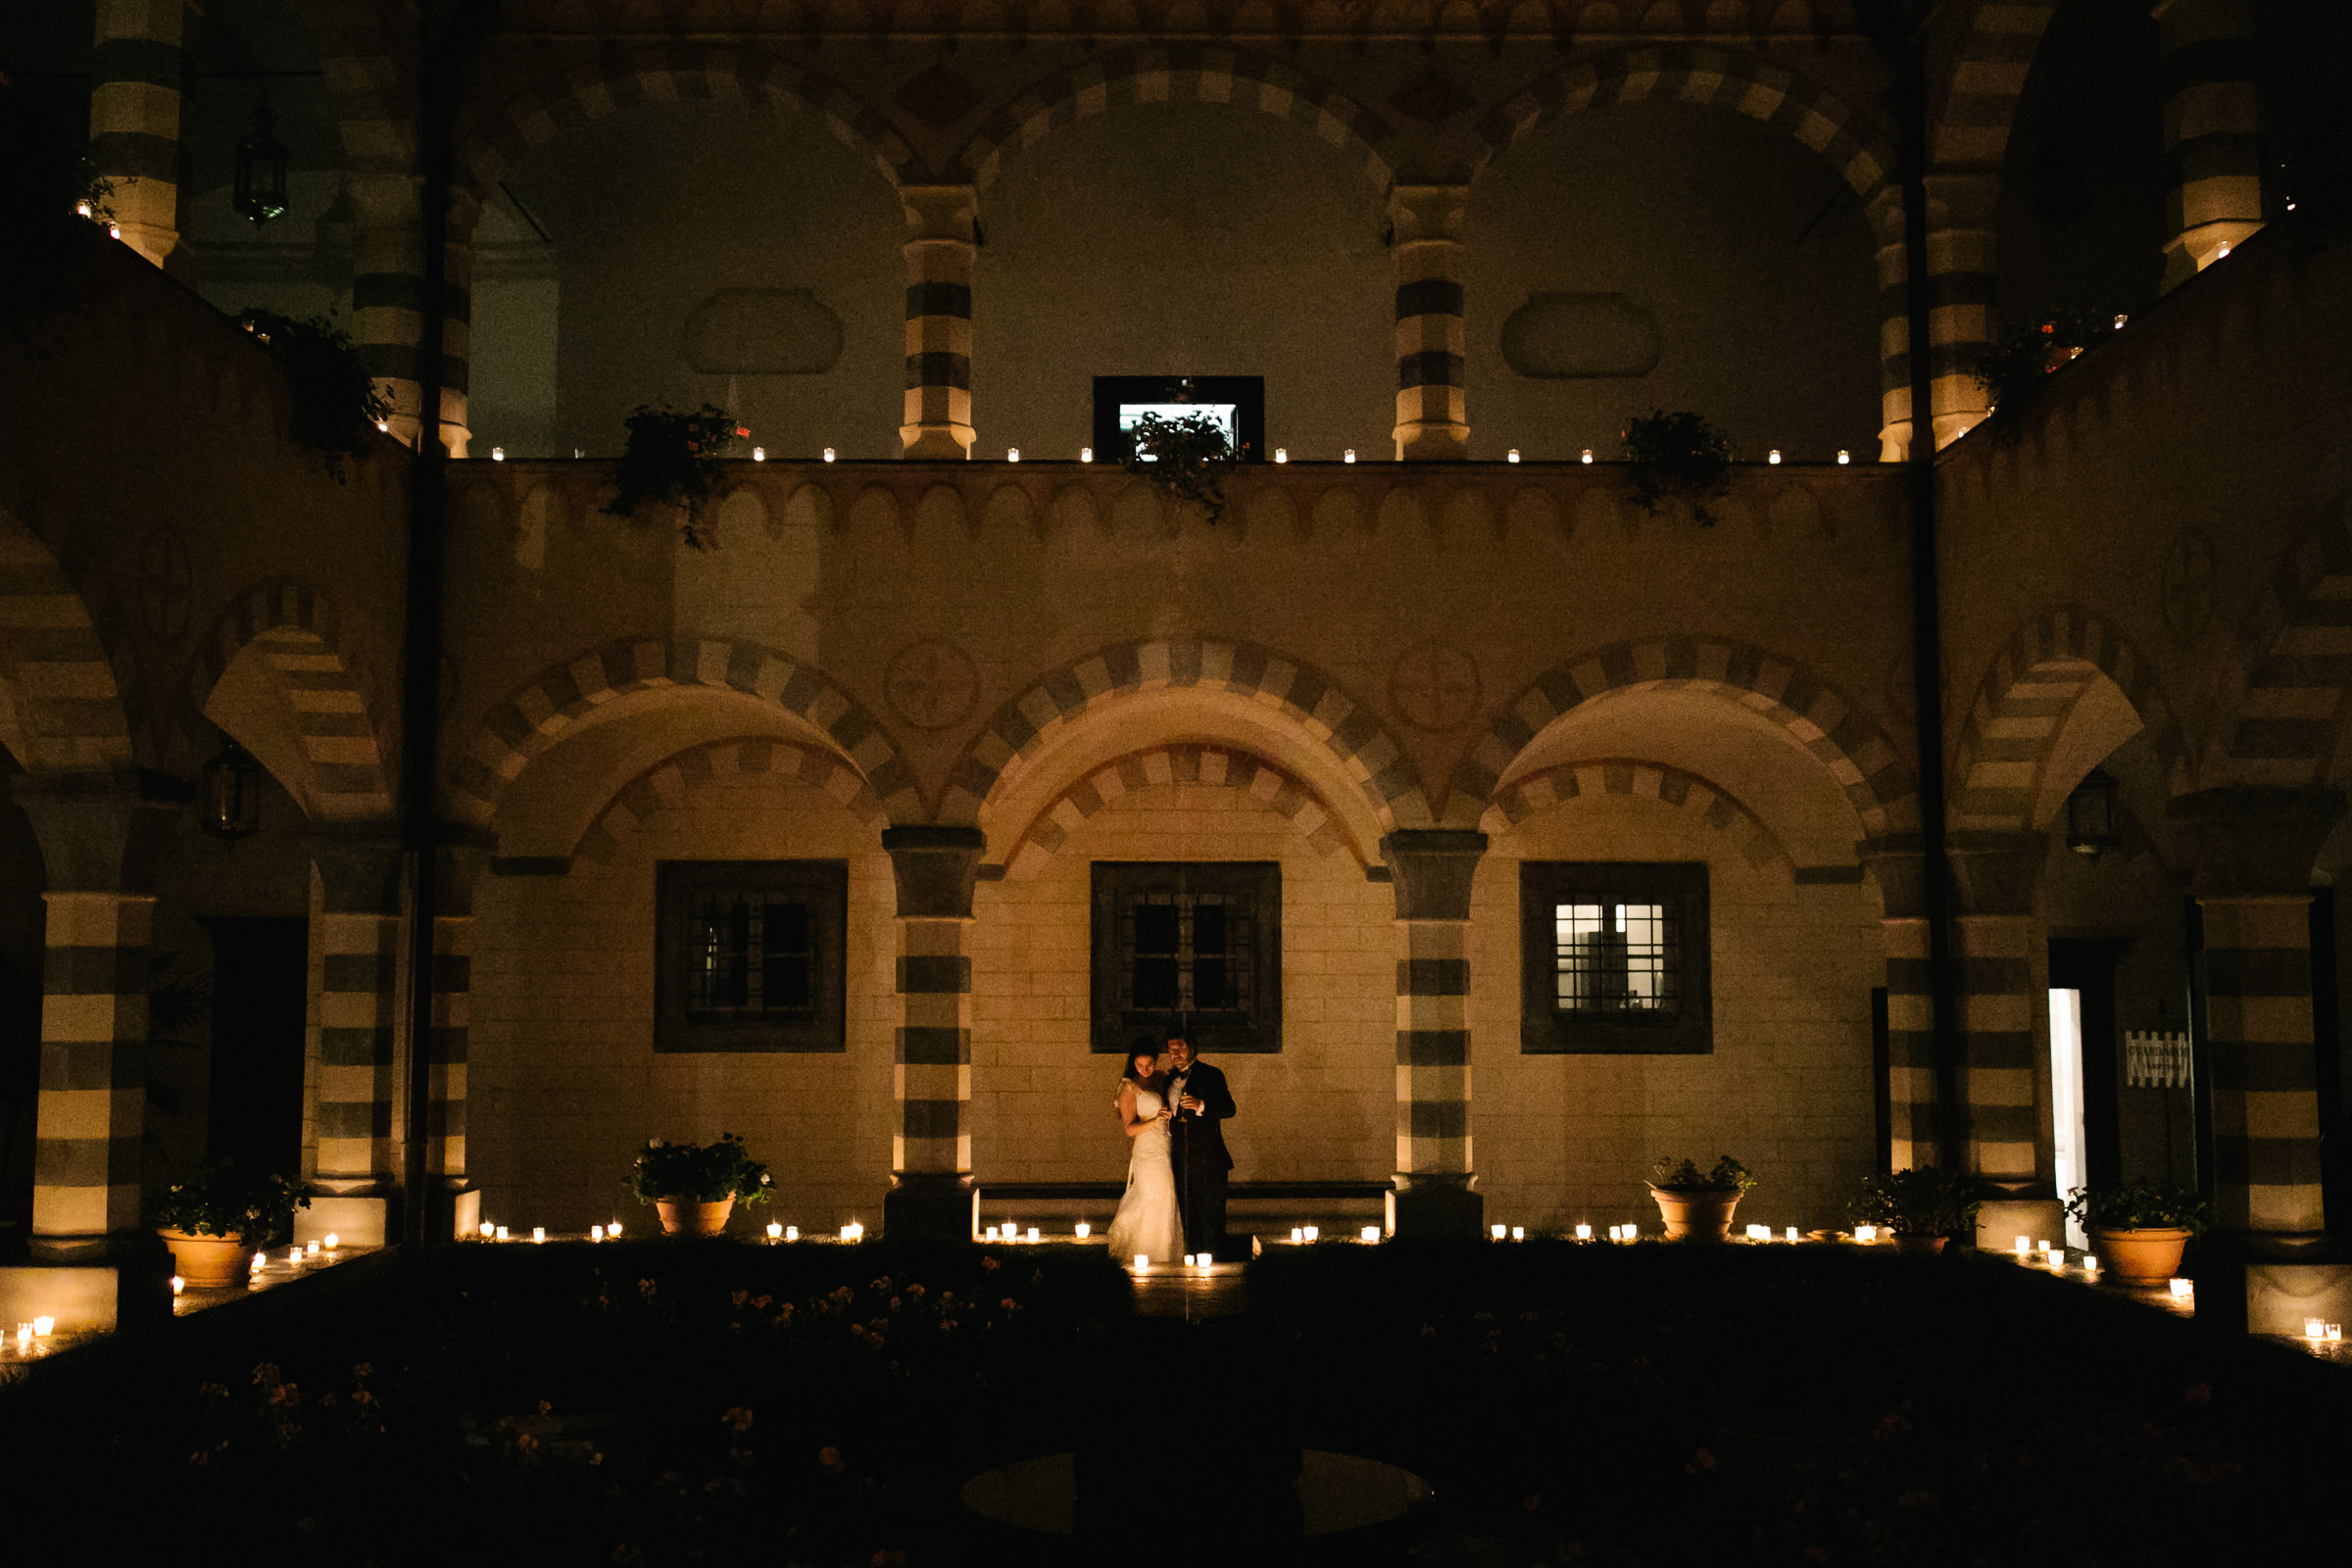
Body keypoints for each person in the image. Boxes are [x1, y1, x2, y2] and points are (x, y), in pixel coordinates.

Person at [1105, 1037, 1180, 1264]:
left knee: (1168, 1194)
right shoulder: (1129, 1087)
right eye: (1140, 1065)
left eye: (1149, 1064)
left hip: (1165, 1145)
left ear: (1156, 1061)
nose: (1145, 1070)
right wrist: (1155, 1121)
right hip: (1147, 1150)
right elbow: (1130, 1129)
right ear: (1133, 1063)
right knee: (1150, 1195)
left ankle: (1166, 1252)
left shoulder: (1162, 1079)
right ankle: (1146, 1252)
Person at [1164, 1030, 1236, 1255]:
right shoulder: (1168, 1079)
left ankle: (1214, 1267)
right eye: (1171, 1050)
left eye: (1180, 1048)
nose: (1175, 1054)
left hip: (1209, 1160)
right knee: (1188, 1216)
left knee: (1211, 1216)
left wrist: (1201, 1105)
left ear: (1193, 1048)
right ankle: (1192, 1264)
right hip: (1180, 1160)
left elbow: (1229, 1108)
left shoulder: (1211, 1074)